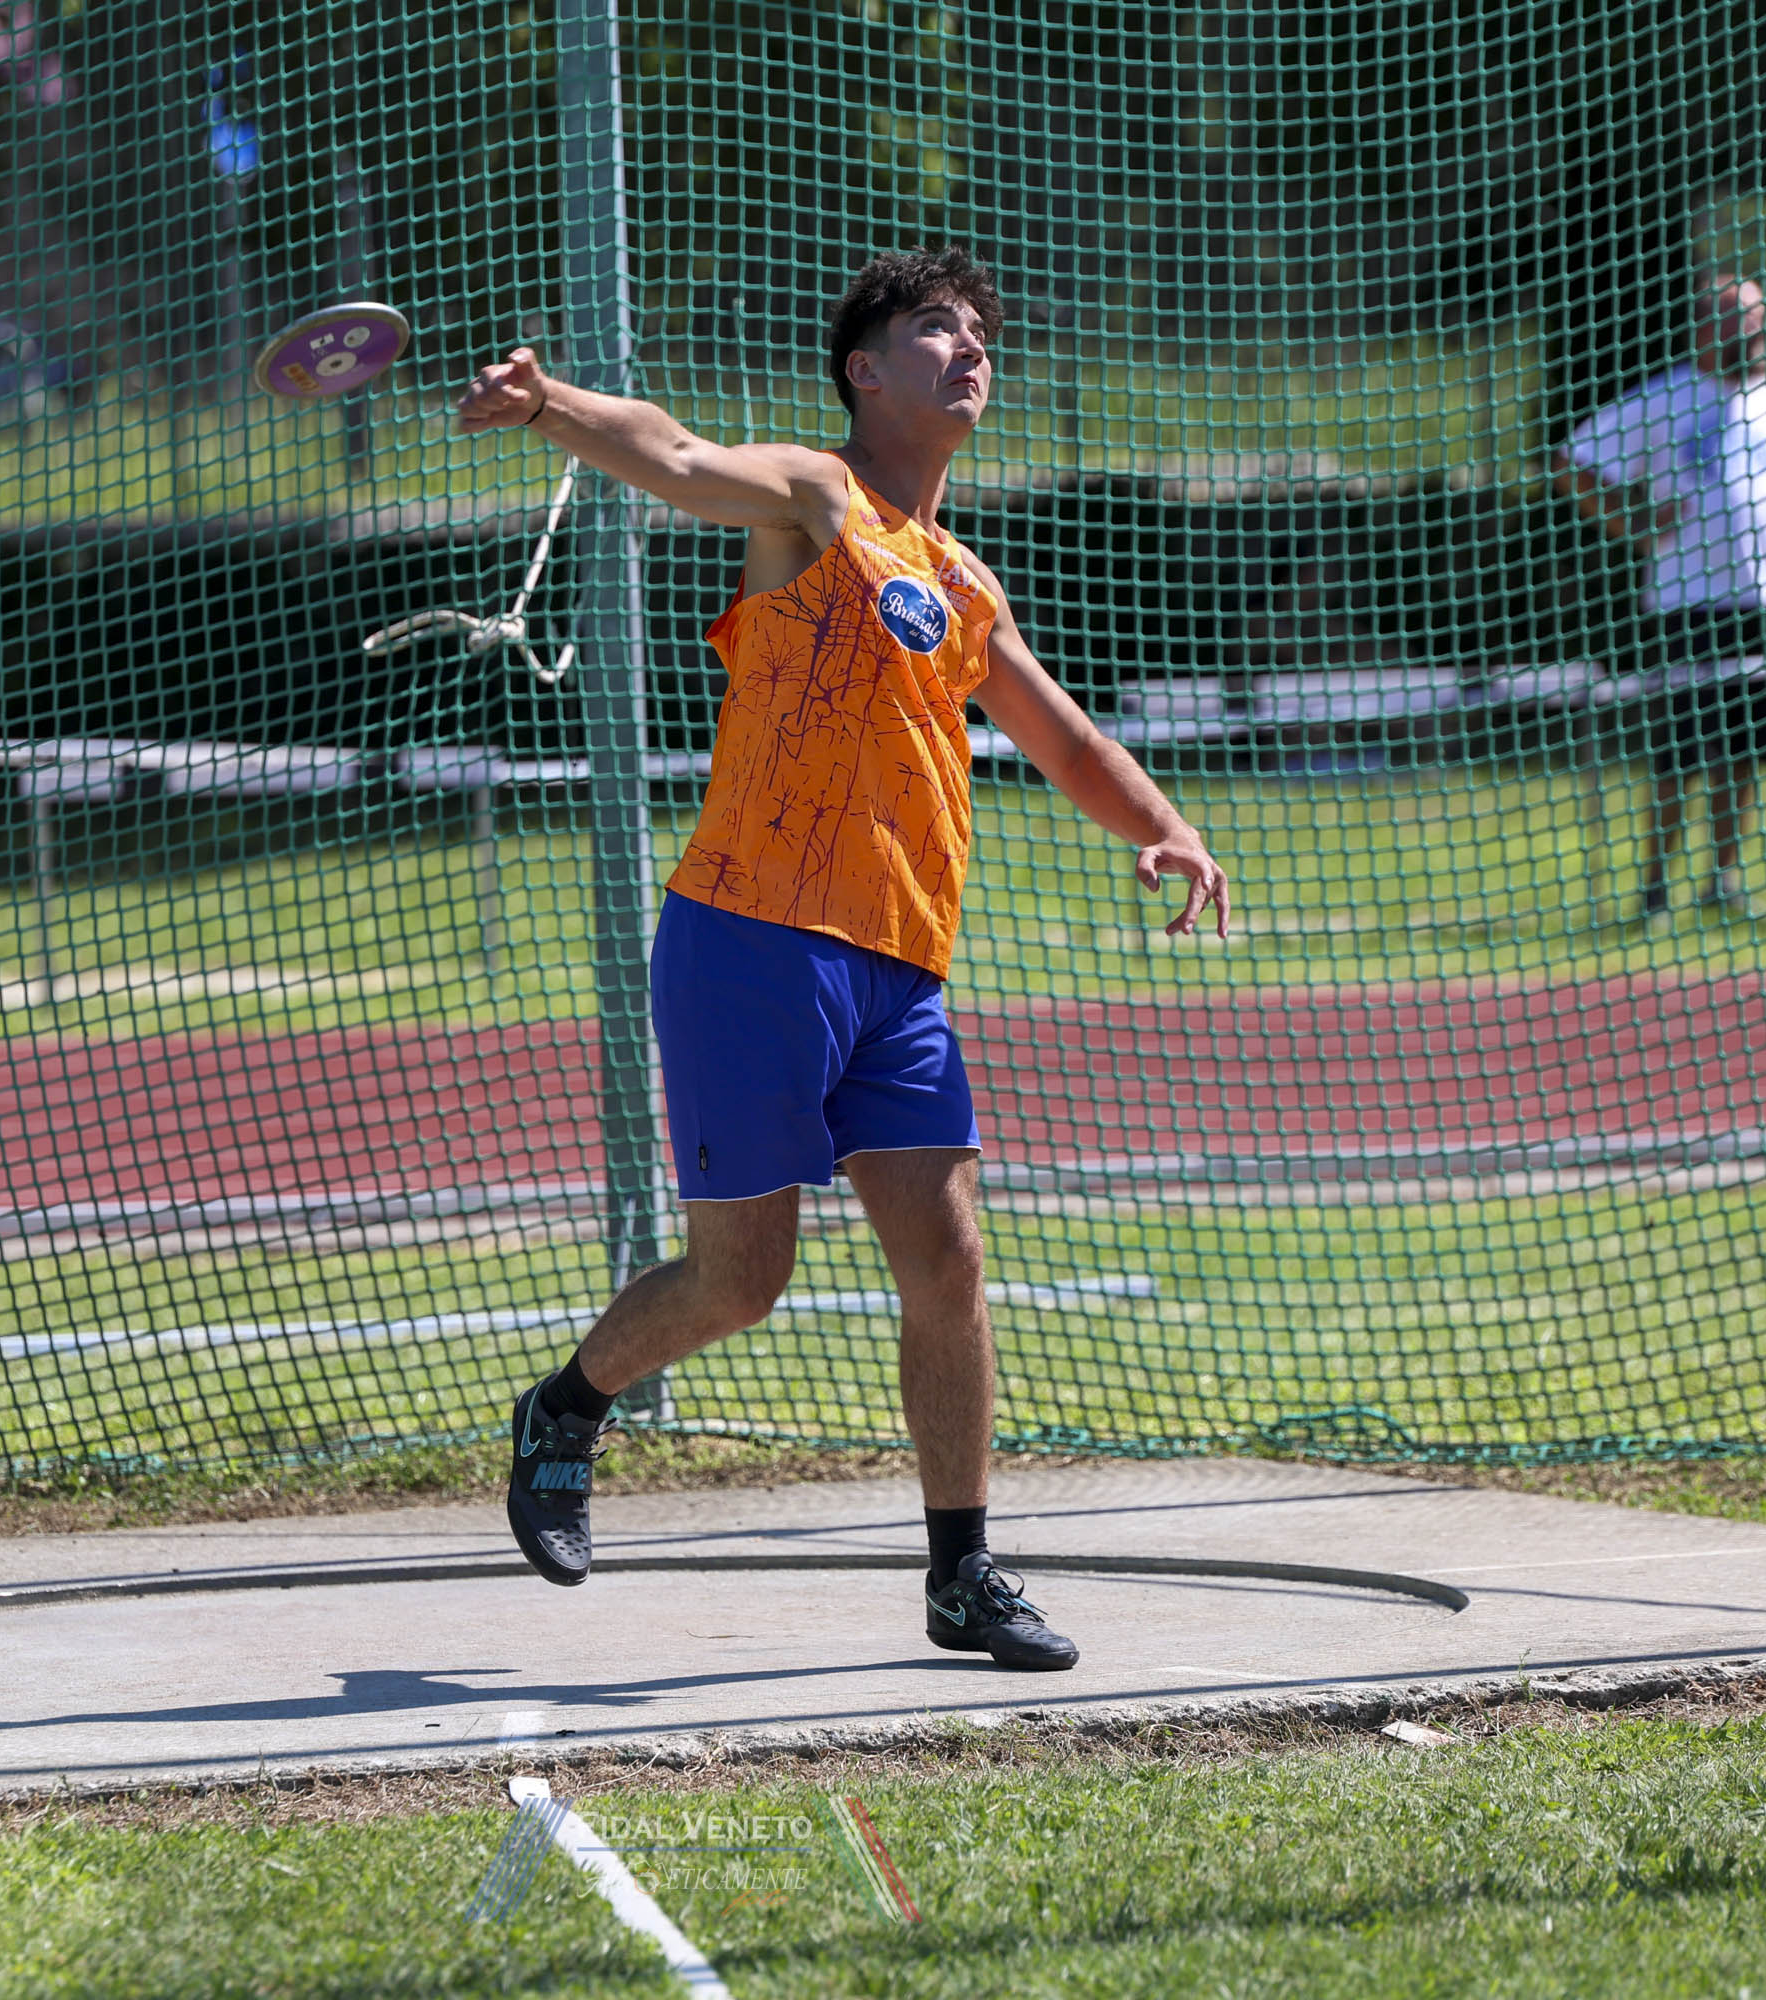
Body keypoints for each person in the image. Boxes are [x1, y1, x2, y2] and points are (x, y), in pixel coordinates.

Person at [455, 248, 1230, 1673]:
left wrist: (1166, 827)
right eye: (936, 327)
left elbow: (1063, 739)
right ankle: (567, 1405)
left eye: (979, 330)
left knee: (949, 1256)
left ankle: (963, 1573)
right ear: (865, 371)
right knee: (742, 1282)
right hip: (751, 937)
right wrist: (551, 402)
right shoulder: (818, 498)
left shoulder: (963, 581)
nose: (969, 346)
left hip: (899, 969)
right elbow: (677, 456)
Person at [1557, 274, 1766, 919]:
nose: (1753, 330)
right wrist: (1633, 523)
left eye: (1757, 317)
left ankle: (1722, 879)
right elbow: (1574, 462)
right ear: (1703, 327)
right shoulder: (1663, 397)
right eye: (1737, 317)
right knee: (1679, 752)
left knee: (1744, 749)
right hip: (1685, 604)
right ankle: (1655, 888)